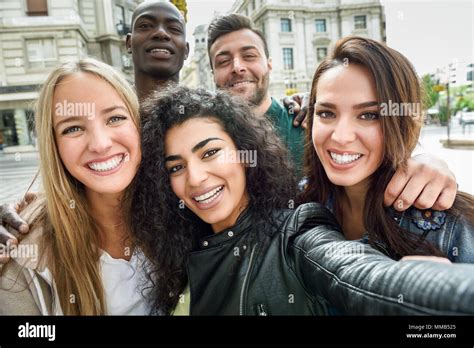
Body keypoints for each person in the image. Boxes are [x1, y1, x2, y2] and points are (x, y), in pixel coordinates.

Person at [131, 84, 474, 316]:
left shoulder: (296, 230)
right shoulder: (178, 244)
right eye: (176, 167)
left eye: (210, 152)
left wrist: (440, 291)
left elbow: (359, 276)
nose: (195, 178)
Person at [206, 13, 458, 212]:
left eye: (249, 55)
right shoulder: (200, 137)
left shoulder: (304, 124)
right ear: (212, 73)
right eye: (223, 61)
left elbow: (383, 153)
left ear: (269, 64)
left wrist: (426, 162)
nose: (237, 67)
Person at [299, 36, 474, 262]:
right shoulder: (296, 201)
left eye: (369, 115)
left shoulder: (449, 226)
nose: (341, 137)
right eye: (326, 113)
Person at [0, 58, 150, 315]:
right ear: (54, 145)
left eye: (114, 118)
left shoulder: (187, 211)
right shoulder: (22, 255)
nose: (100, 144)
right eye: (73, 128)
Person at [125, 0, 189, 101]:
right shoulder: (106, 109)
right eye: (145, 26)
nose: (161, 33)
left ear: (186, 50)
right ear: (129, 43)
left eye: (174, 28)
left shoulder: (204, 113)